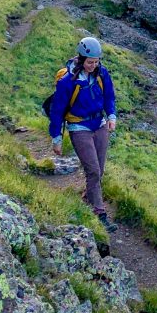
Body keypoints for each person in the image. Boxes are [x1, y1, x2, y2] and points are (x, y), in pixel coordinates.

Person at [48, 36, 118, 231]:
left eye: (96, 62)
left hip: (100, 124)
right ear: (81, 58)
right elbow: (57, 111)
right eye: (90, 62)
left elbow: (109, 96)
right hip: (79, 127)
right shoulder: (67, 82)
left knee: (99, 170)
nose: (93, 66)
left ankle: (89, 196)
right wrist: (57, 138)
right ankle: (99, 213)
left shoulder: (101, 73)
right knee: (93, 170)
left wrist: (111, 116)